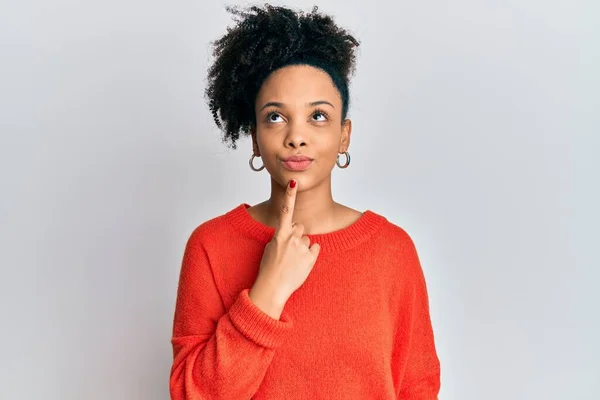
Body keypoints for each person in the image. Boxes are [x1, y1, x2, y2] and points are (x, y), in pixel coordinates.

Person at [169, 4, 440, 399]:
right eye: (276, 117)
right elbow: (193, 394)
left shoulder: (392, 250)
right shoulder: (210, 246)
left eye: (318, 116)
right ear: (254, 137)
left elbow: (418, 387)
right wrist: (269, 291)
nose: (297, 136)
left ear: (344, 136)